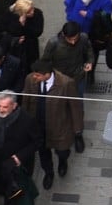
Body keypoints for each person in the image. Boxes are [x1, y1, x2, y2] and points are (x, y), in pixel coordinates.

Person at [21, 59, 84, 190]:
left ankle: (62, 162)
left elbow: (75, 108)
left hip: (59, 127)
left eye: (37, 75)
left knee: (62, 151)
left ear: (46, 74)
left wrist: (77, 131)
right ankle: (49, 173)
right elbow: (25, 101)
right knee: (43, 153)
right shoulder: (30, 79)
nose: (34, 77)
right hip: (38, 126)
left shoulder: (66, 83)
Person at [40, 21, 94, 100]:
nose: (73, 42)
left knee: (77, 103)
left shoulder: (83, 38)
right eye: (69, 39)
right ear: (63, 35)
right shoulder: (53, 43)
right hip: (60, 79)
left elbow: (89, 50)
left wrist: (89, 62)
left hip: (78, 77)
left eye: (75, 39)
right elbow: (45, 60)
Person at [4, 0, 44, 71]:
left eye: (32, 8)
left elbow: (38, 32)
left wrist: (24, 26)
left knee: (31, 64)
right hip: (16, 47)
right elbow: (9, 30)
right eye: (28, 12)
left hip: (31, 45)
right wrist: (20, 24)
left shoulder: (37, 13)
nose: (32, 12)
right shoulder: (11, 15)